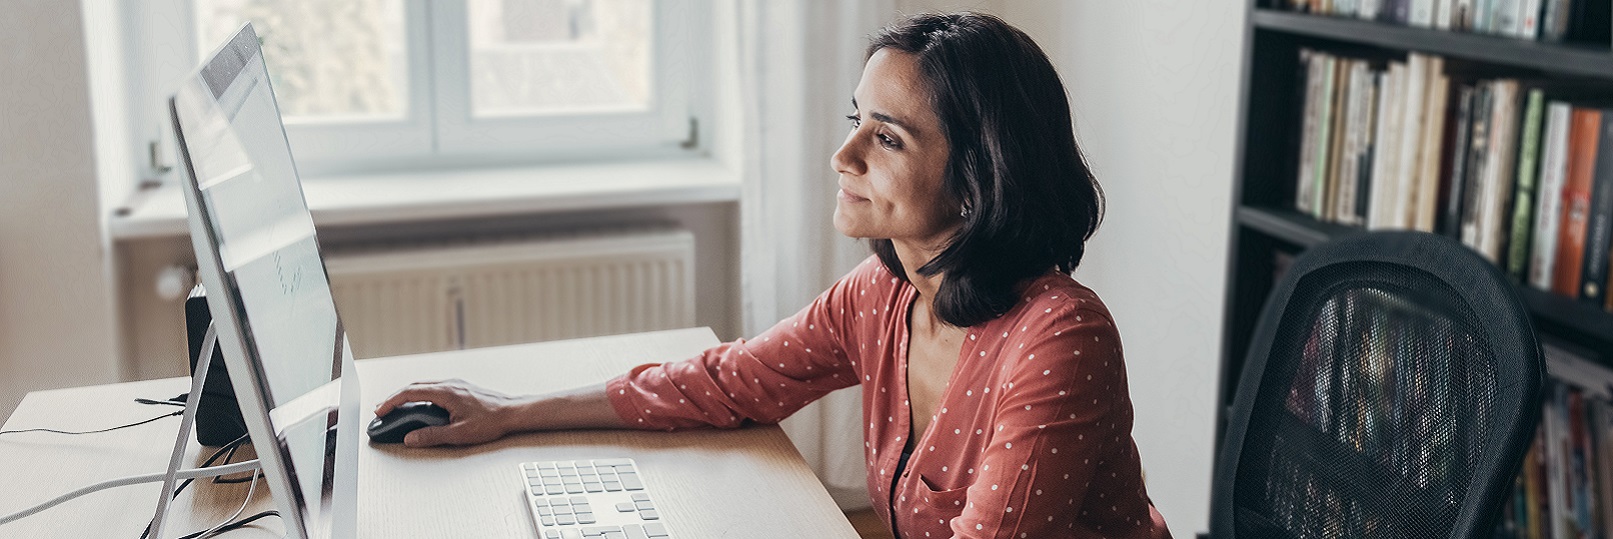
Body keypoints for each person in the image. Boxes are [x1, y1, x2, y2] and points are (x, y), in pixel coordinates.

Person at [377, 11, 1171, 539]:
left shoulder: (1058, 338)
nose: (844, 155)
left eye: (886, 138)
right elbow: (725, 382)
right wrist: (510, 411)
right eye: (854, 120)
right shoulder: (888, 292)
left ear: (977, 175)